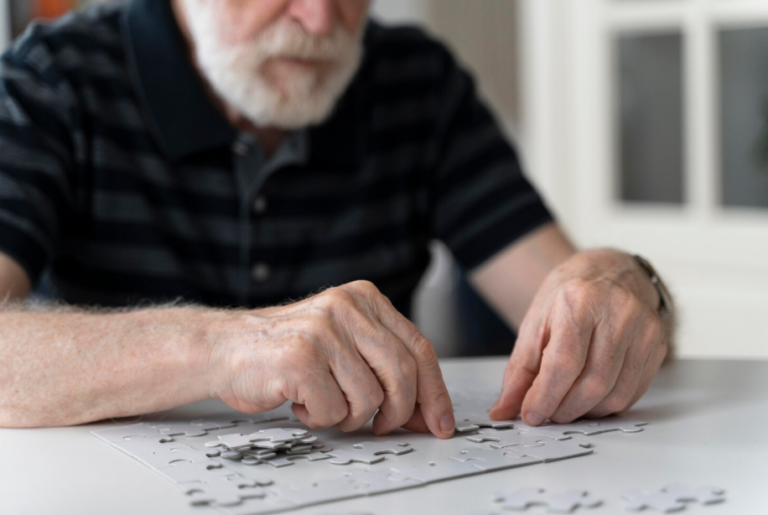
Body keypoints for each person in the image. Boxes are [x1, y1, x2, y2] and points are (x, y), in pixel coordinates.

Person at [0, 0, 674, 438]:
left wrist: (625, 287)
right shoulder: (53, 79)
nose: (322, 21)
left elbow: (572, 307)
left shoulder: (416, 81)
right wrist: (231, 346)